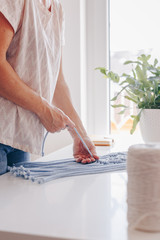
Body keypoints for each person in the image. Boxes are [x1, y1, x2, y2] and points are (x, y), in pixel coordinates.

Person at [0, 0, 99, 175]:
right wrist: (44, 110)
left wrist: (80, 135)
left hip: (21, 139)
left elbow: (57, 82)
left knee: (18, 202)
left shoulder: (57, 9)